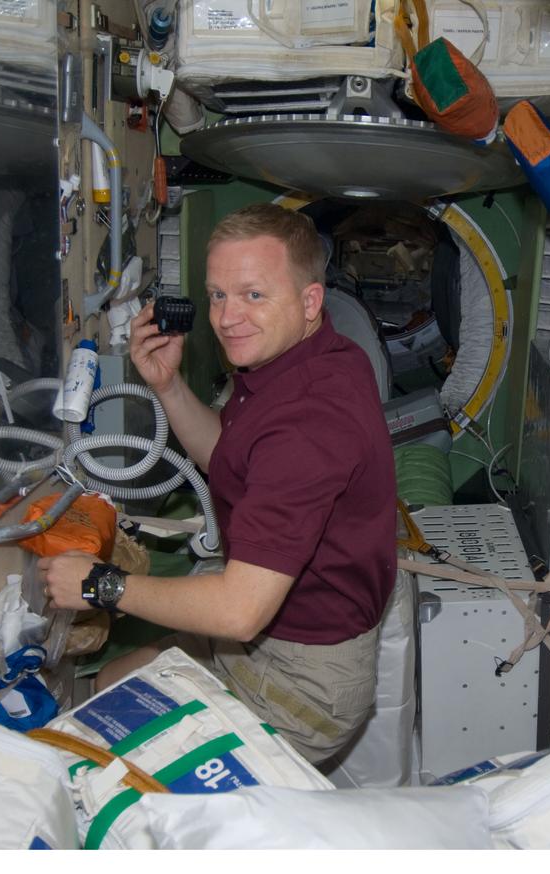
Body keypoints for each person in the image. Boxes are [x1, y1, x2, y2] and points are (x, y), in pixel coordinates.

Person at [39, 203, 398, 765]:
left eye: (254, 295)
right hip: (267, 638)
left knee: (93, 761)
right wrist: (168, 386)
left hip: (299, 689)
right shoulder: (311, 358)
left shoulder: (308, 424)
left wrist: (102, 585)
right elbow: (229, 457)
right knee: (108, 682)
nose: (229, 318)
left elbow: (238, 611)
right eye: (217, 295)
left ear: (310, 302)